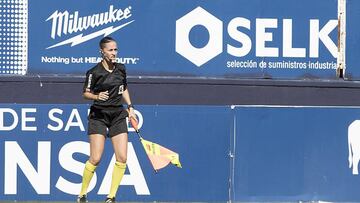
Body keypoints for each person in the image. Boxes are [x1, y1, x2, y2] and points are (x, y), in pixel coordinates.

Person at [77, 36, 136, 203]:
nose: (114, 53)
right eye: (110, 50)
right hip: (99, 116)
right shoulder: (94, 72)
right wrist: (96, 96)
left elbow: (123, 88)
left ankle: (111, 197)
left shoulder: (121, 69)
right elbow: (85, 93)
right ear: (102, 52)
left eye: (115, 49)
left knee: (122, 158)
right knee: (95, 158)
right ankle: (82, 194)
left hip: (118, 115)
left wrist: (130, 106)